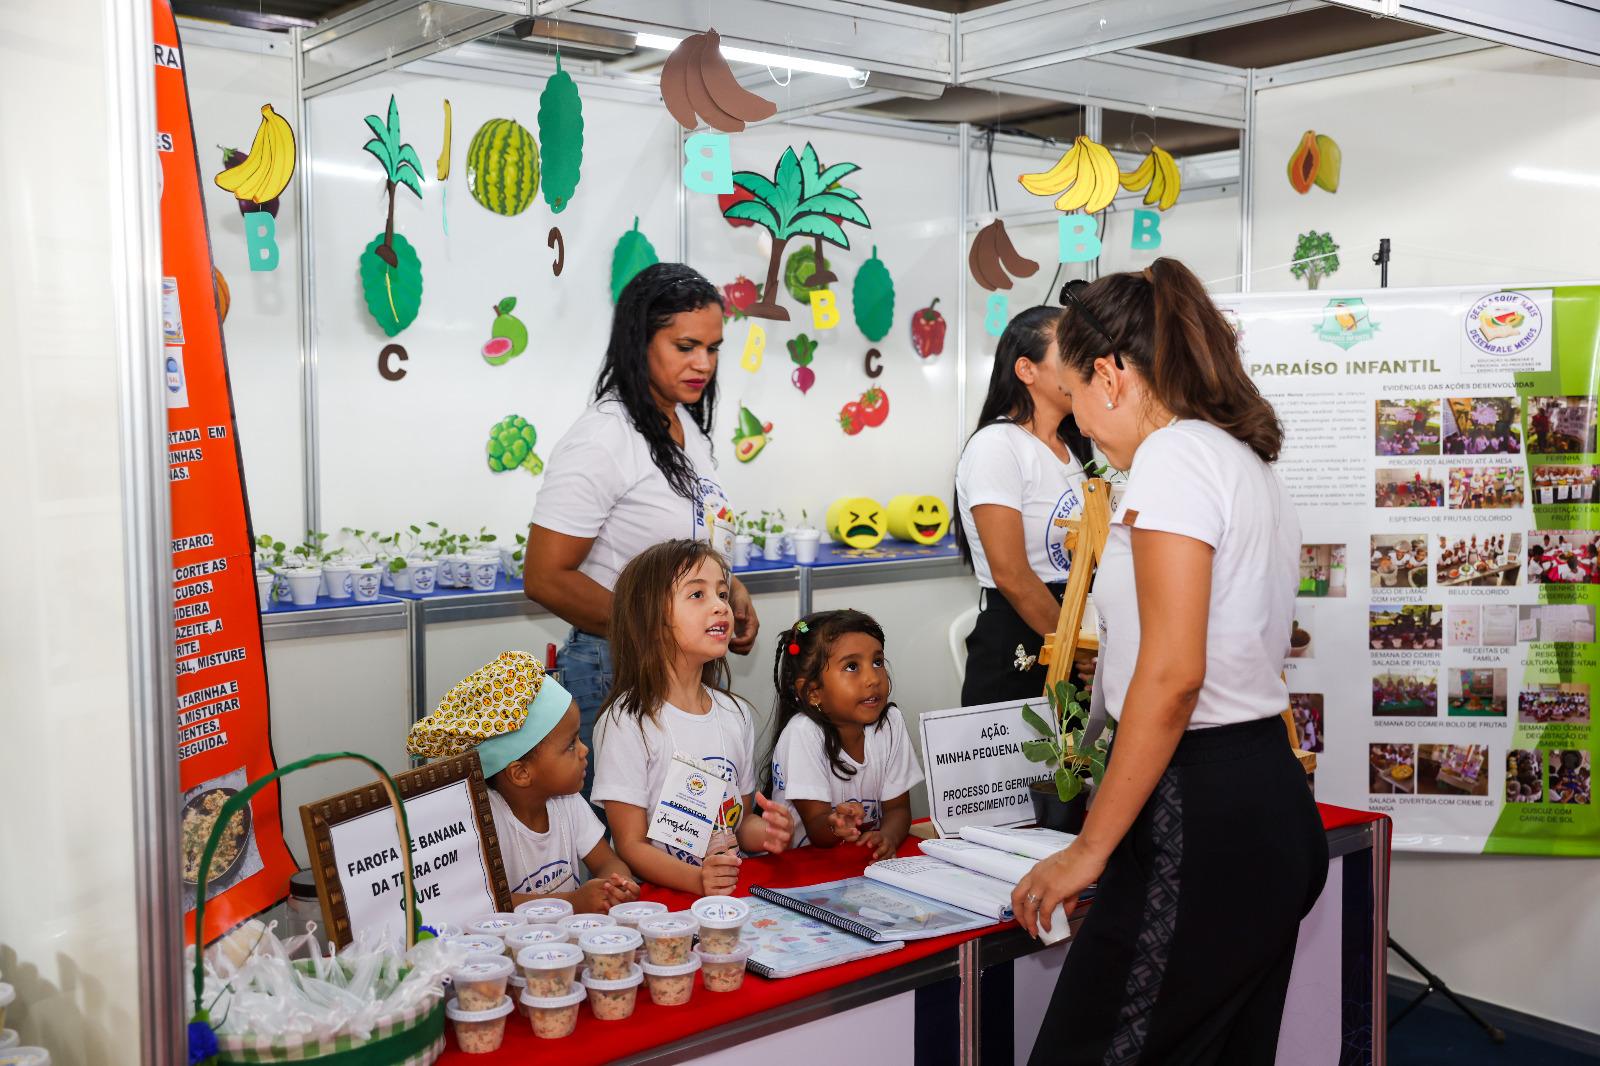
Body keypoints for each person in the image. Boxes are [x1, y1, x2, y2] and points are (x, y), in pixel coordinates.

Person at [1009, 258, 1328, 1065]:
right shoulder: (1239, 459)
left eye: (1075, 399)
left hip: (1202, 806)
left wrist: (1089, 848)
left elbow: (1174, 674)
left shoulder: (1176, 458)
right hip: (1260, 794)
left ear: (1111, 375)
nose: (1078, 424)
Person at [524, 264, 760, 799]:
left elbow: (691, 544)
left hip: (674, 669)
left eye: (715, 348)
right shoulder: (605, 437)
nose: (704, 364)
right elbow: (545, 577)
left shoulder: (686, 427)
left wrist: (730, 593)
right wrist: (657, 629)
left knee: (685, 844)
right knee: (628, 861)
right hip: (618, 669)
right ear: (639, 341)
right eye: (685, 346)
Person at [591, 539, 793, 897]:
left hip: (728, 895)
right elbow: (630, 845)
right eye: (697, 595)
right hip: (665, 902)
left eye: (722, 594)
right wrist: (698, 880)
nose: (720, 606)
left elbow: (740, 824)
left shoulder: (735, 713)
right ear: (651, 620)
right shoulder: (626, 721)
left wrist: (770, 834)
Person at [405, 651, 640, 910]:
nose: (584, 750)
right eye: (570, 745)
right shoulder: (485, 822)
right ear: (521, 773)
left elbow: (607, 861)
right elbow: (489, 904)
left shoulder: (568, 802)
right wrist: (571, 902)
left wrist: (617, 884)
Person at [954, 305, 1094, 705]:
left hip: (1072, 636)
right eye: (1071, 355)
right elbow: (1012, 574)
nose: (1084, 367)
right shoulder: (998, 446)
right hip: (1023, 638)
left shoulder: (1075, 448)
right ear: (1026, 370)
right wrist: (1076, 645)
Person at [767, 609, 924, 858]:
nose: (873, 678)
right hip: (806, 865)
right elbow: (817, 829)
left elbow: (898, 809)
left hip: (857, 863)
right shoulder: (803, 734)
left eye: (877, 662)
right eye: (852, 667)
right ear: (813, 692)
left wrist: (888, 837)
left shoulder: (890, 723)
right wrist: (837, 824)